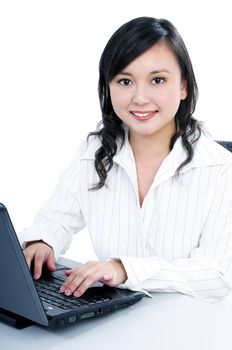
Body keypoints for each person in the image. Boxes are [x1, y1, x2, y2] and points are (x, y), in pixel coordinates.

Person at [19, 16, 232, 306]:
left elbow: (217, 275)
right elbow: (54, 220)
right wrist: (41, 242)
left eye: (157, 80)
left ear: (183, 86)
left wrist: (123, 269)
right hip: (115, 323)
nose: (140, 98)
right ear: (109, 88)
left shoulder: (221, 169)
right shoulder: (95, 151)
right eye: (125, 81)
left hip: (191, 329)